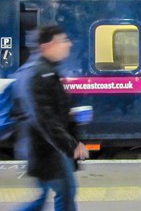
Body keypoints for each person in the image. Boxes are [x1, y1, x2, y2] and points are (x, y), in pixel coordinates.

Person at [12, 25, 88, 211]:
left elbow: (47, 111)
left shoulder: (44, 70)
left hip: (46, 146)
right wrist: (70, 145)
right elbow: (43, 118)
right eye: (62, 40)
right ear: (48, 45)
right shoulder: (39, 73)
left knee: (44, 198)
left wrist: (71, 116)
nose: (68, 44)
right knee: (66, 192)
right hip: (48, 149)